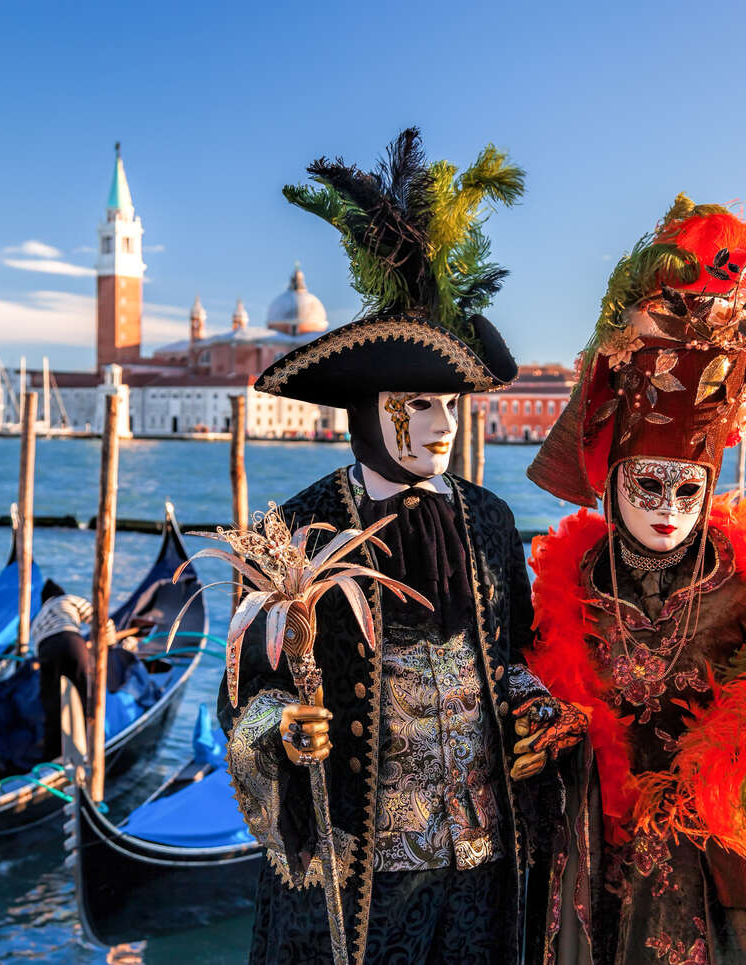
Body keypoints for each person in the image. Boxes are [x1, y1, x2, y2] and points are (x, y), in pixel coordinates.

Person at [218, 129, 586, 965]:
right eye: (420, 403)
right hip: (358, 881)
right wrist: (282, 730)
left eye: (451, 404)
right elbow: (244, 693)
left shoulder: (489, 519)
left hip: (485, 871)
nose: (444, 425)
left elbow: (512, 650)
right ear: (369, 407)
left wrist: (537, 706)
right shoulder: (298, 526)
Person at [525, 195, 746, 963]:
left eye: (685, 489)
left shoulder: (740, 584)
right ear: (614, 481)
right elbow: (527, 689)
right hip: (593, 852)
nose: (665, 508)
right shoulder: (572, 582)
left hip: (706, 867)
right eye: (646, 485)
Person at [31, 579, 114, 759]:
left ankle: (53, 754)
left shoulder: (37, 619)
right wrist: (111, 643)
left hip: (45, 652)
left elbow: (38, 647)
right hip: (71, 642)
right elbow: (99, 620)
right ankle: (92, 741)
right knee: (86, 692)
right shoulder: (67, 599)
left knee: (52, 704)